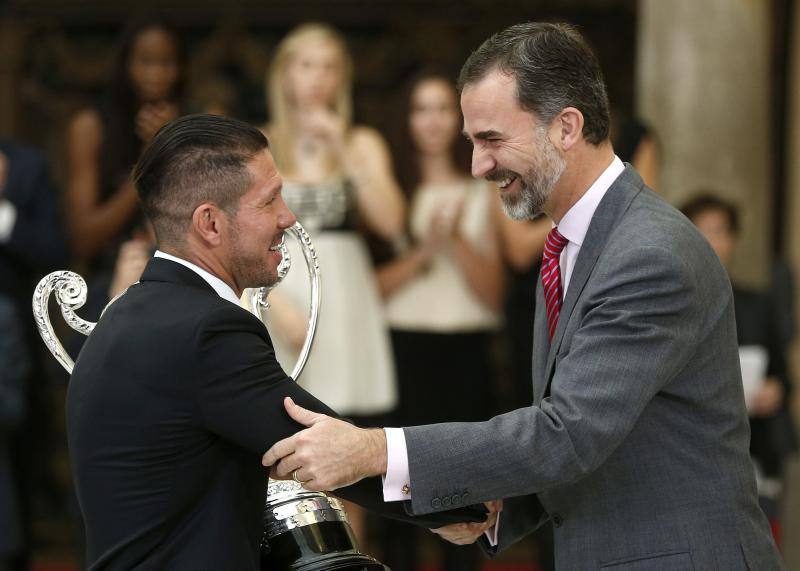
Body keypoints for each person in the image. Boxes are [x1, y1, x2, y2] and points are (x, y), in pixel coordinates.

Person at [261, 22, 783, 569]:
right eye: (472, 142)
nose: (477, 166)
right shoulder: (569, 245)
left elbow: (568, 433)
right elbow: (600, 429)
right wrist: (500, 508)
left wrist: (373, 450)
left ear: (566, 127)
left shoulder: (649, 253)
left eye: (491, 140)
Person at [66, 114, 486, 571]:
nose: (288, 217)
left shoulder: (125, 316)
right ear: (210, 224)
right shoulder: (208, 331)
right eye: (269, 201)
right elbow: (322, 444)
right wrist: (465, 503)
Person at [262, 22, 404, 541]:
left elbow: (392, 223)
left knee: (348, 461)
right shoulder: (261, 141)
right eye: (306, 65)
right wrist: (274, 305)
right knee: (278, 453)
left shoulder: (362, 141)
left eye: (329, 67)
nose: (317, 78)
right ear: (284, 74)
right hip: (280, 297)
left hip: (344, 306)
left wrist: (341, 149)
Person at [375, 72, 505, 571]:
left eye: (441, 109)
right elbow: (368, 289)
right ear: (405, 120)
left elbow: (494, 294)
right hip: (402, 345)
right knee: (396, 482)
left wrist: (456, 242)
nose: (431, 121)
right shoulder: (389, 194)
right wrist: (424, 252)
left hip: (464, 348)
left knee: (465, 486)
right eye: (419, 109)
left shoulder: (485, 188)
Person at [682, 193, 798, 548]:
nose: (712, 242)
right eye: (700, 231)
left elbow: (783, 377)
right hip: (694, 458)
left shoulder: (758, 305)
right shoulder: (676, 305)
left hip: (755, 453)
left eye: (719, 231)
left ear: (733, 239)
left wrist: (775, 391)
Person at [64, 18, 182, 319]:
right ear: (125, 65)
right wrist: (149, 157)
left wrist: (175, 141)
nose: (155, 74)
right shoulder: (90, 127)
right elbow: (84, 239)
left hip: (184, 273)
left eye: (165, 62)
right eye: (145, 62)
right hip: (112, 272)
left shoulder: (198, 120)